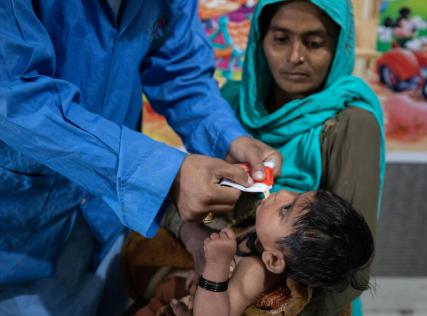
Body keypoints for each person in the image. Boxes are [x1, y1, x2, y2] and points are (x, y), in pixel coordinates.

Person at [0, 1, 281, 315]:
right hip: (17, 228)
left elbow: (180, 72)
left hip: (105, 220)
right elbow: (16, 98)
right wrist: (165, 175)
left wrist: (228, 138)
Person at [219, 0, 386, 314]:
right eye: (281, 40)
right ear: (260, 39)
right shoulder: (229, 106)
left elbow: (350, 268)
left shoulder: (349, 125)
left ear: (338, 46)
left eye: (314, 43)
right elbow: (199, 209)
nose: (295, 57)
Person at [193, 189, 374, 316]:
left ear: (273, 260)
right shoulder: (267, 238)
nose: (283, 193)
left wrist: (218, 264)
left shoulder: (255, 272)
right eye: (298, 195)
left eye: (285, 210)